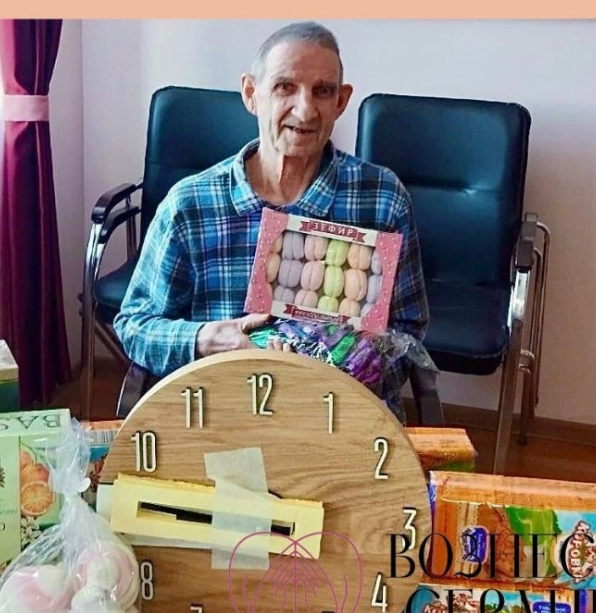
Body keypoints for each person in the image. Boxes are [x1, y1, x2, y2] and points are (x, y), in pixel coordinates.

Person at [114, 21, 429, 421]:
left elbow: (407, 330)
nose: (305, 110)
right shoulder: (190, 204)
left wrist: (352, 362)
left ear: (341, 101)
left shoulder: (382, 199)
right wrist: (205, 338)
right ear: (251, 93)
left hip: (340, 418)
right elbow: (135, 325)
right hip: (221, 415)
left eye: (322, 91)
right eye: (285, 87)